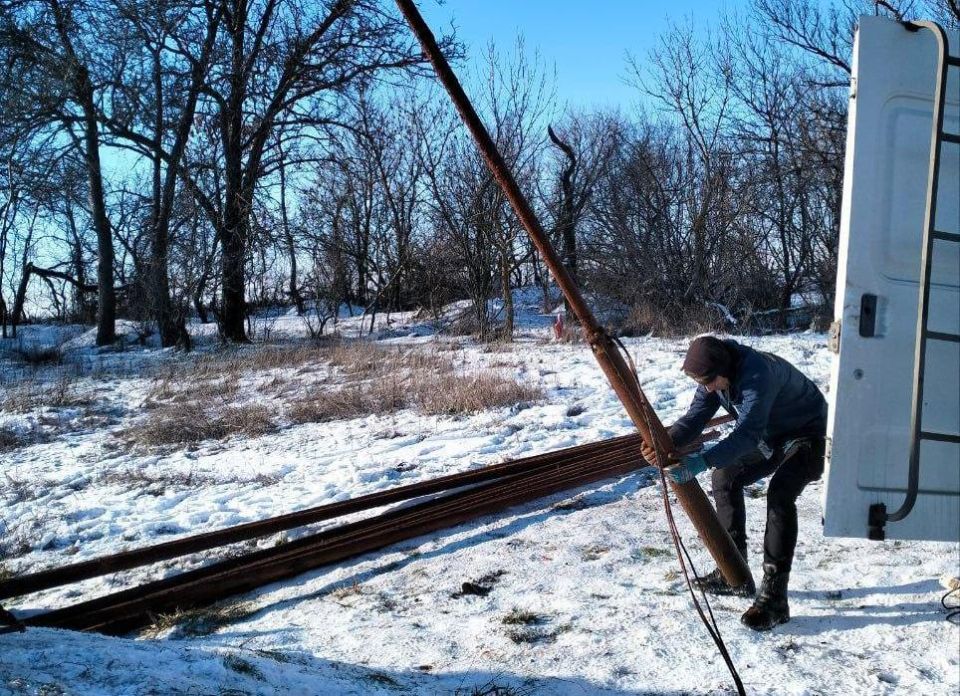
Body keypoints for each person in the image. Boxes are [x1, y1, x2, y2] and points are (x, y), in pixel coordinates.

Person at [640, 335, 828, 631]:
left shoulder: (758, 375)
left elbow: (747, 434)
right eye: (701, 383)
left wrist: (702, 460)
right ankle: (733, 569)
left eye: (709, 381)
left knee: (780, 494)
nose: (707, 388)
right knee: (724, 478)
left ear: (723, 369)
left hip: (808, 433)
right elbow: (695, 417)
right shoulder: (716, 375)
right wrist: (664, 443)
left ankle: (774, 598)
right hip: (772, 435)